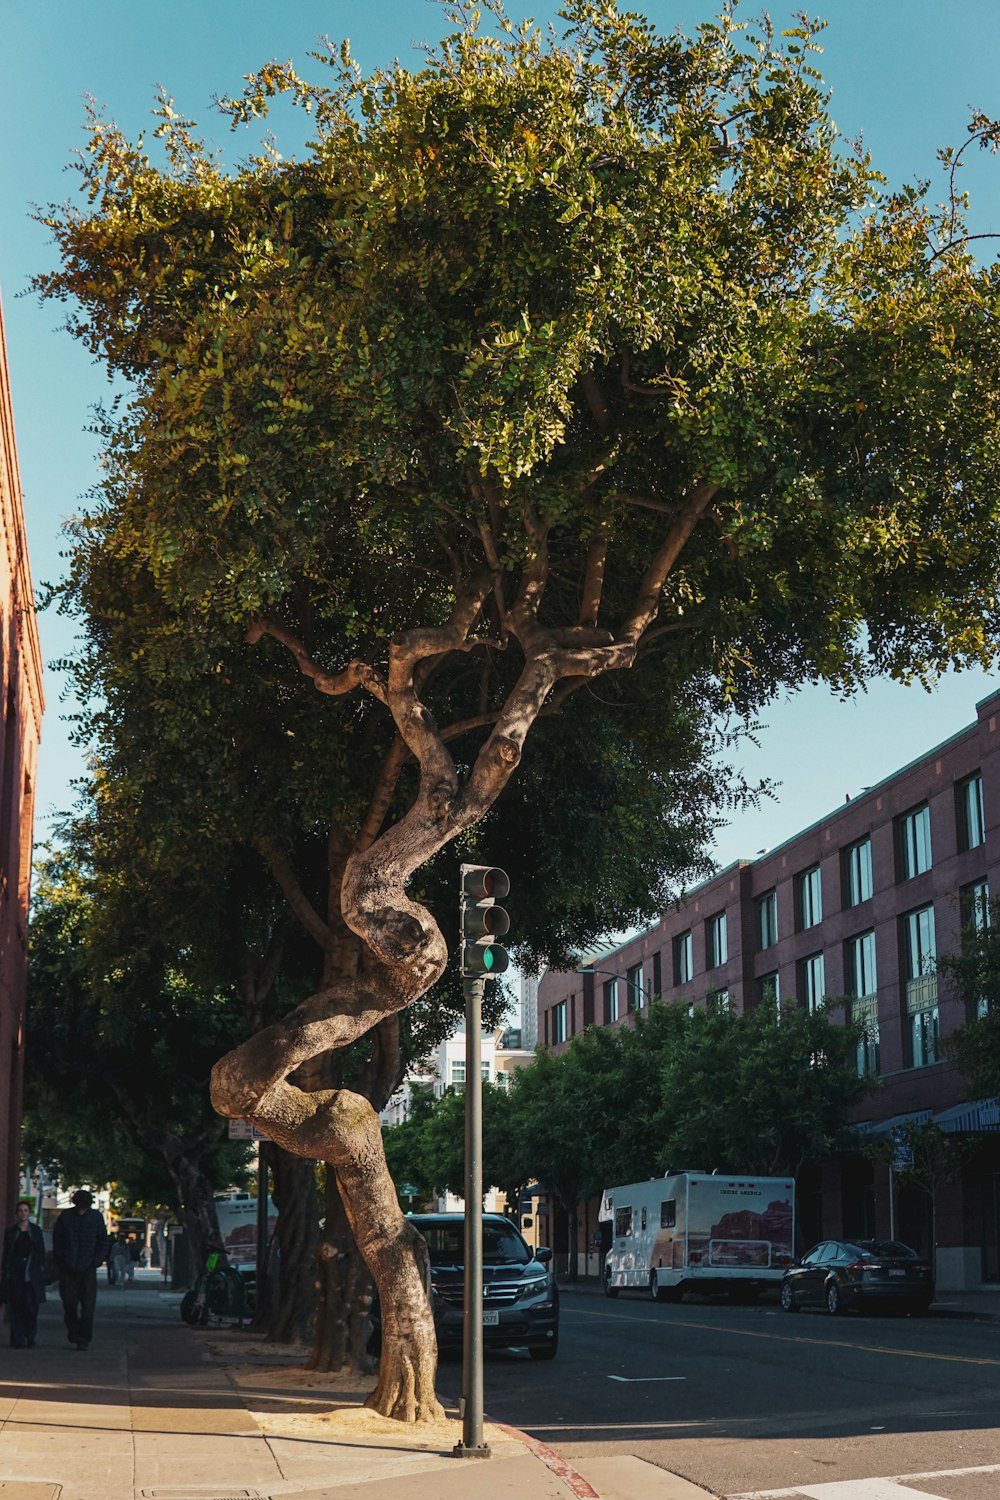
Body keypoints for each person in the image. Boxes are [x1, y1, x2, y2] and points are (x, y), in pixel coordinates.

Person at [52, 1190, 109, 1350]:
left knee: (88, 1306)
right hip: (69, 1268)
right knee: (69, 1303)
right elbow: (58, 1240)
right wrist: (61, 1261)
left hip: (88, 1268)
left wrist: (95, 1261)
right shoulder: (66, 1217)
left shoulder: (96, 1217)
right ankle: (74, 1329)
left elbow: (103, 1241)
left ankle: (83, 1338)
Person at [0, 1200, 46, 1348]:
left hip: (30, 1271)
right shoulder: (11, 1232)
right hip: (15, 1272)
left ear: (29, 1212)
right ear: (16, 1213)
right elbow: (7, 1253)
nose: (23, 1213)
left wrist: (41, 1268)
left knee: (31, 1306)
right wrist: (4, 1271)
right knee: (16, 1306)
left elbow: (41, 1251)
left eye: (25, 1210)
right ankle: (18, 1338)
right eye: (20, 1210)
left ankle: (30, 1335)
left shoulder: (35, 1231)